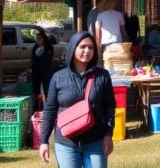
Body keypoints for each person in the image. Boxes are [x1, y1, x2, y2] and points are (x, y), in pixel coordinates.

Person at [39, 32, 115, 168]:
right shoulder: (58, 77)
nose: (87, 51)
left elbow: (110, 106)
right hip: (66, 143)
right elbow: (50, 110)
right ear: (73, 48)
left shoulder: (102, 76)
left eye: (91, 48)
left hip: (95, 142)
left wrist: (108, 135)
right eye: (83, 47)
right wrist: (44, 141)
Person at [94, 0, 127, 65]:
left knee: (107, 65)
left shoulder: (100, 16)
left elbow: (98, 34)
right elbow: (123, 30)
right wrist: (127, 39)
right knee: (118, 65)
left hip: (105, 45)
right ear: (114, 3)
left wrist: (98, 48)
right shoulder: (119, 14)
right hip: (118, 43)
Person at [31, 32, 54, 111]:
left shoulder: (48, 47)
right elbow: (32, 59)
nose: (37, 40)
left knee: (47, 89)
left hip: (46, 71)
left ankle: (48, 107)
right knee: (36, 90)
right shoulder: (35, 47)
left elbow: (50, 59)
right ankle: (37, 107)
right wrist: (29, 67)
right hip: (36, 71)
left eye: (39, 38)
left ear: (43, 39)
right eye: (36, 38)